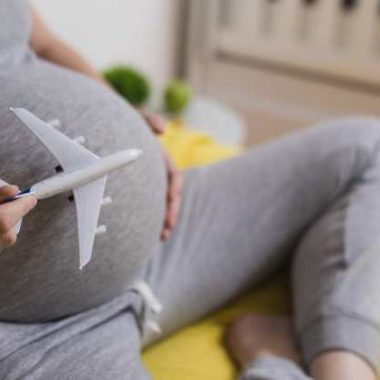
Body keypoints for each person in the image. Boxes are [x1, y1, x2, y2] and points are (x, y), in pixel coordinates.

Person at [0, 1, 380, 379]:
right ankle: (271, 362)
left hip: (164, 233)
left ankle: (345, 370)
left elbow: (43, 42)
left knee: (368, 149)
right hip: (34, 333)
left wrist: (126, 119)